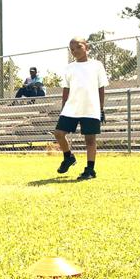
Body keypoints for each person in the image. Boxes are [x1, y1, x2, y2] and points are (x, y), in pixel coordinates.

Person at [54, 37, 108, 180]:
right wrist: (63, 108)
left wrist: (101, 109)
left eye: (78, 47)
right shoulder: (69, 68)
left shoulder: (97, 65)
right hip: (71, 107)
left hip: (91, 108)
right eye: (72, 49)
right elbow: (66, 90)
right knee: (59, 133)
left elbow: (101, 88)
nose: (75, 51)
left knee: (90, 139)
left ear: (86, 47)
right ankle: (68, 157)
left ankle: (90, 170)